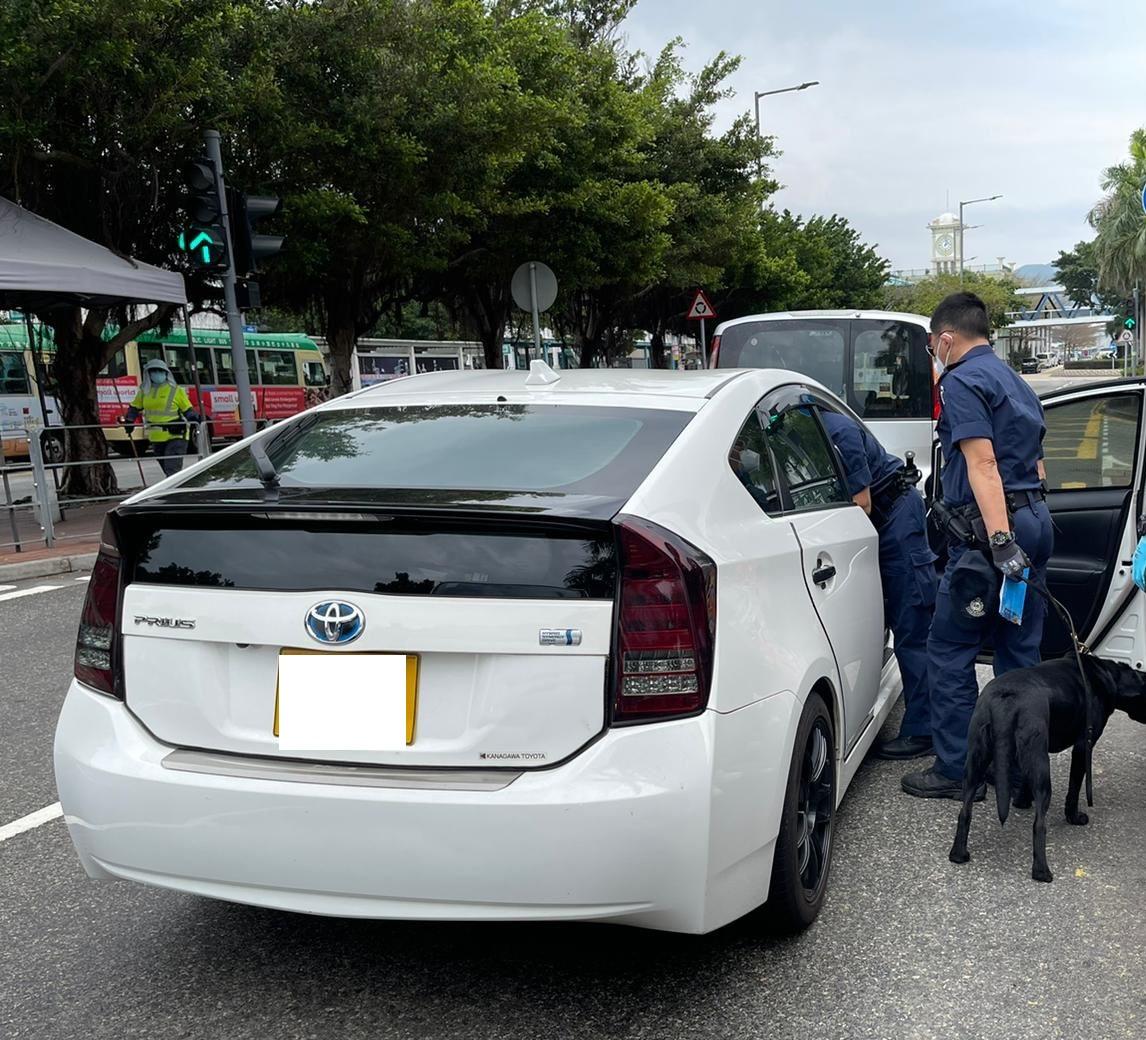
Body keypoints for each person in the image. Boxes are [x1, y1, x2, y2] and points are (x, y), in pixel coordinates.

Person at [902, 292, 1054, 799]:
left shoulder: (962, 380)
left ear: (946, 339)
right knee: (1020, 652)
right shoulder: (1014, 380)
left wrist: (1000, 540)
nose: (935, 357)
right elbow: (1036, 464)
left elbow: (982, 464)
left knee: (948, 649)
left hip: (993, 534)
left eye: (932, 348)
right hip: (1036, 518)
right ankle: (1016, 771)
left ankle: (955, 768)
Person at [819, 409, 938, 759]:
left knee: (912, 627)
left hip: (897, 519)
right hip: (884, 519)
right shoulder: (804, 430)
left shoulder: (839, 433)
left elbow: (862, 503)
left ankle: (925, 730)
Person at [122, 359, 200, 477]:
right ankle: (180, 488)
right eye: (153, 371)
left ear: (166, 373)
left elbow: (188, 410)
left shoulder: (176, 390)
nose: (157, 374)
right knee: (167, 469)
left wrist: (195, 419)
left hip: (176, 435)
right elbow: (134, 407)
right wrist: (129, 421)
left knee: (172, 470)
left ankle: (174, 493)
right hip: (156, 437)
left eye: (160, 371)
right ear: (148, 374)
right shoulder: (144, 391)